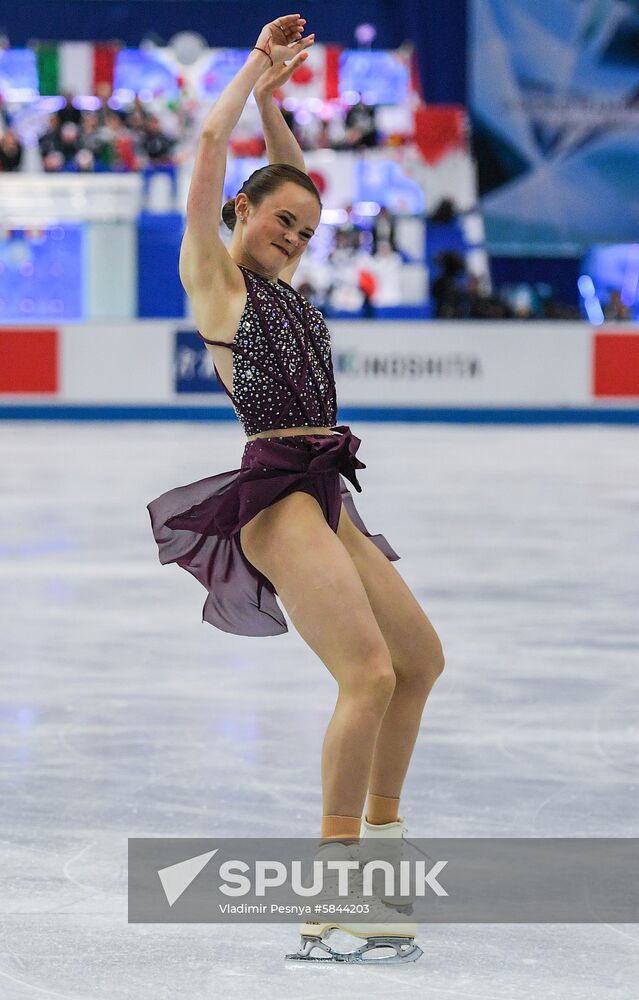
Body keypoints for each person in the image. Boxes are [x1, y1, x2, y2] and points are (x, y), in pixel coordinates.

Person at [146, 14, 444, 965]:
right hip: (276, 494)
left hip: (327, 492)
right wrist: (247, 79)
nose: (293, 237)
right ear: (238, 211)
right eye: (280, 221)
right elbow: (206, 143)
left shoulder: (286, 281)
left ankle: (382, 889)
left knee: (418, 663)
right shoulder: (216, 280)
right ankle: (330, 903)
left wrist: (280, 99)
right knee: (366, 677)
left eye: (306, 231)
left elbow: (294, 181)